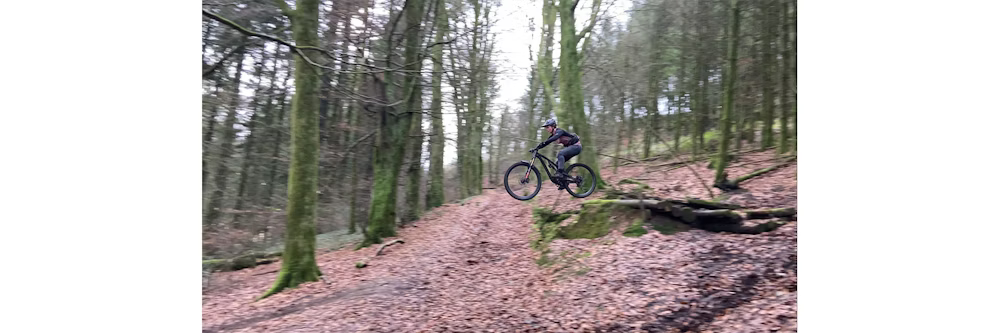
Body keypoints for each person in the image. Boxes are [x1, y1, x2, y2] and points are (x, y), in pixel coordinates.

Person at [532, 119, 582, 190]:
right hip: (572, 147)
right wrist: (536, 148)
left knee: (560, 154)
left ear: (553, 126)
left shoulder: (559, 131)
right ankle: (564, 182)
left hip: (576, 146)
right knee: (558, 163)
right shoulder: (553, 135)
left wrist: (544, 142)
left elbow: (553, 138)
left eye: (547, 127)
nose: (546, 129)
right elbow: (546, 142)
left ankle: (560, 173)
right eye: (546, 128)